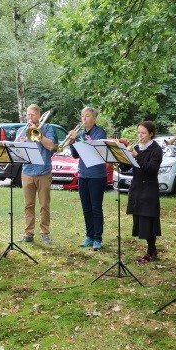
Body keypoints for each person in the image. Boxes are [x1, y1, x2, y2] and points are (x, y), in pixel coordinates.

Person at [14, 104, 56, 244]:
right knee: (28, 205)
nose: (29, 118)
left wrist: (37, 132)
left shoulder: (47, 128)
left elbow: (51, 146)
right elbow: (15, 149)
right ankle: (29, 233)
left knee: (44, 204)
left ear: (39, 115)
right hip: (27, 172)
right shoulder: (22, 130)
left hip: (43, 172)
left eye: (32, 115)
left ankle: (45, 232)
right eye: (28, 115)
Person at [122, 121, 163, 263]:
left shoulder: (156, 149)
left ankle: (151, 250)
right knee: (140, 220)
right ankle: (152, 249)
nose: (140, 136)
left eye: (143, 133)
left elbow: (152, 169)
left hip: (149, 189)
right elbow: (126, 169)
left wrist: (136, 155)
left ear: (151, 134)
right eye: (138, 132)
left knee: (148, 221)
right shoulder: (137, 147)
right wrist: (124, 157)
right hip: (137, 187)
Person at [68, 107, 107, 250]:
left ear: (94, 118)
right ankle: (89, 236)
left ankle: (98, 238)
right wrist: (72, 141)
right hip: (83, 174)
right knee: (86, 208)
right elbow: (75, 155)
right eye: (82, 116)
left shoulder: (99, 132)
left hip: (97, 175)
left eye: (87, 116)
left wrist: (77, 139)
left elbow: (92, 149)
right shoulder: (80, 134)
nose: (84, 118)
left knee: (96, 207)